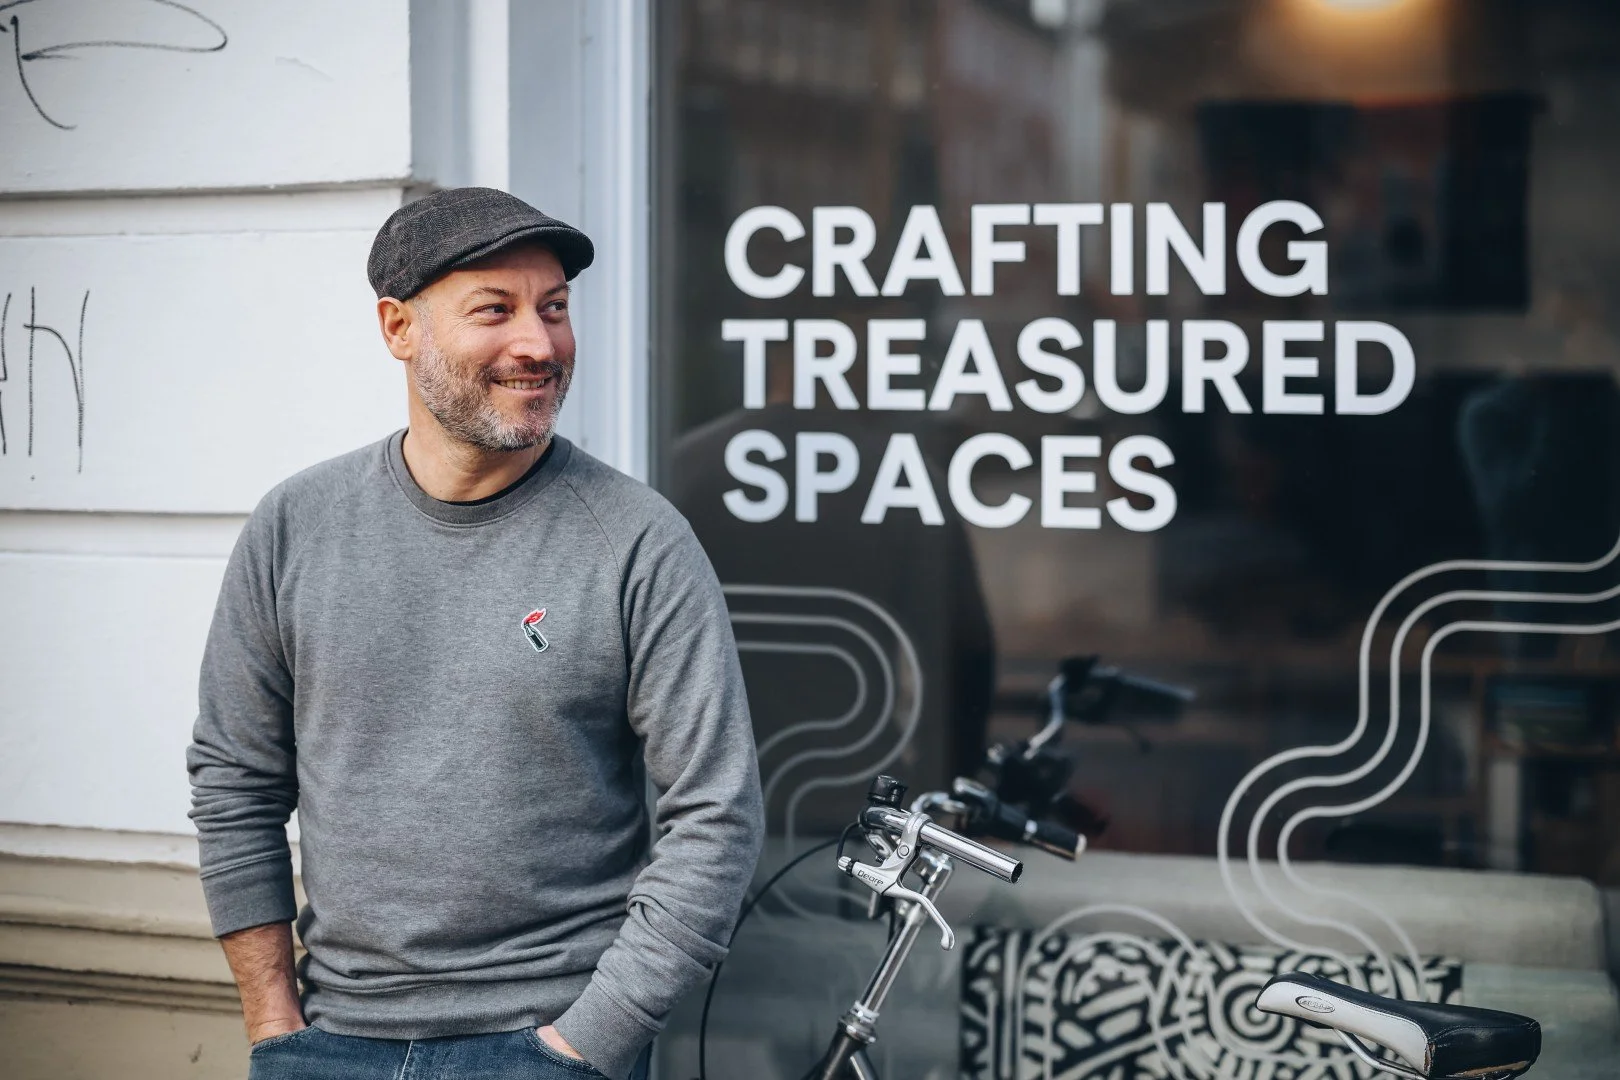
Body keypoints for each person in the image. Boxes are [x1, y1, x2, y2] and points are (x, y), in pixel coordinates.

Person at [187, 187, 764, 1080]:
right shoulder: (296, 527)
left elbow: (716, 817)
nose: (538, 343)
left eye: (556, 309)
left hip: (551, 1038)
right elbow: (235, 780)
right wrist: (273, 1023)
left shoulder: (636, 543)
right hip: (330, 1040)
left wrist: (585, 1046)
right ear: (398, 328)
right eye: (495, 310)